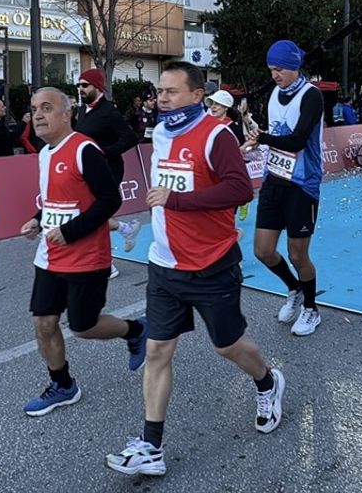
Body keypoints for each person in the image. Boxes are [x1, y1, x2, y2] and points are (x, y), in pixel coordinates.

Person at [105, 62, 282, 478]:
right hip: (164, 263)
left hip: (210, 264)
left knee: (228, 346)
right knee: (157, 350)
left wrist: (176, 200)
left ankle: (267, 381)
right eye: (160, 91)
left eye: (171, 91)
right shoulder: (162, 132)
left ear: (197, 95)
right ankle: (151, 445)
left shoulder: (217, 135)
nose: (162, 98)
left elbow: (240, 189)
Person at [19, 87, 146, 416]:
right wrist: (37, 220)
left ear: (67, 113)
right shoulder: (45, 152)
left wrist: (70, 231)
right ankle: (63, 385)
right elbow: (51, 200)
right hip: (49, 255)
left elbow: (110, 201)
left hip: (87, 257)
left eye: (47, 108)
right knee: (43, 323)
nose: (39, 115)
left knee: (83, 326)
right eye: (34, 109)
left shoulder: (85, 151)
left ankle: (136, 330)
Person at [245, 40, 325, 337]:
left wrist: (263, 138)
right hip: (273, 180)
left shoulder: (311, 96)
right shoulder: (275, 95)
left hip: (303, 185)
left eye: (279, 69)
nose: (274, 75)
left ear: (293, 66)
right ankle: (294, 289)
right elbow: (276, 136)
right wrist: (258, 139)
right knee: (263, 251)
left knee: (297, 255)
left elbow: (297, 140)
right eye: (271, 70)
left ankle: (312, 309)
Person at [73, 69, 143, 267]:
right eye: (78, 85)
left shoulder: (109, 112)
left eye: (84, 85)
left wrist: (105, 152)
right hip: (87, 170)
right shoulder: (81, 110)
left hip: (109, 170)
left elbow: (130, 138)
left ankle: (105, 263)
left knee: (93, 214)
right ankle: (126, 230)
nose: (81, 89)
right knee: (89, 213)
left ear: (97, 87)